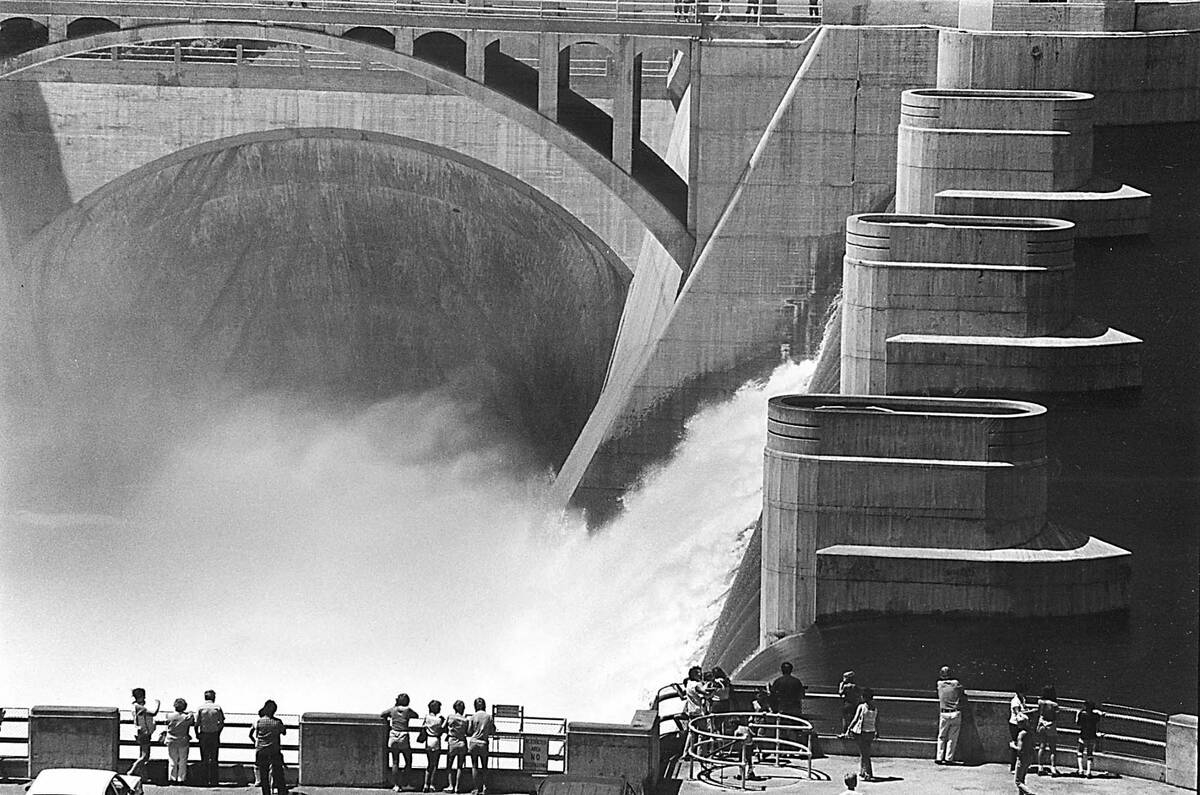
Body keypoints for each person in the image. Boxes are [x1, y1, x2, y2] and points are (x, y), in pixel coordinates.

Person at [769, 661, 806, 763]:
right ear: (791, 670)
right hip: (795, 710)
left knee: (782, 731)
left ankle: (783, 750)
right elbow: (802, 695)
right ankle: (800, 749)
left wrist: (774, 708)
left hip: (783, 709)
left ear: (782, 670)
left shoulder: (778, 681)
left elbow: (772, 696)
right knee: (797, 730)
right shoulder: (797, 681)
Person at [249, 700, 287, 795]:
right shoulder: (277, 722)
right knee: (278, 773)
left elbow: (251, 733)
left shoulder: (258, 721)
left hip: (261, 750)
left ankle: (266, 793)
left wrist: (256, 742)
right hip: (274, 750)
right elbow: (284, 732)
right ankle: (281, 792)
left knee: (264, 774)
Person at [383, 693, 419, 791]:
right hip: (403, 736)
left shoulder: (392, 710)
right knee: (408, 760)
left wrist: (395, 706)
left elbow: (382, 714)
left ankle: (396, 785)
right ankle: (405, 782)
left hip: (393, 735)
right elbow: (416, 715)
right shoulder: (408, 710)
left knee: (395, 761)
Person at [845, 688, 878, 782]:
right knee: (865, 752)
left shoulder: (862, 707)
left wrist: (848, 728)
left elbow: (855, 719)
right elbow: (876, 721)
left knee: (864, 754)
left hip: (862, 732)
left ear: (864, 697)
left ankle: (868, 773)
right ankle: (863, 771)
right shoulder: (875, 708)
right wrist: (877, 731)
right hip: (871, 732)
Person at [128, 688, 161, 779]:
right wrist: (158, 704)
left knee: (143, 755)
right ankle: (131, 771)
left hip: (140, 732)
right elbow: (153, 713)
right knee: (144, 756)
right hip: (144, 733)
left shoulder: (134, 706)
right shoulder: (139, 707)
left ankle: (142, 776)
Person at [196, 689, 226, 786]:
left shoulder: (200, 708)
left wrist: (197, 734)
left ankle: (204, 780)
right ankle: (214, 781)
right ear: (214, 697)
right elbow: (221, 722)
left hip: (204, 734)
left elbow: (197, 723)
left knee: (204, 758)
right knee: (214, 758)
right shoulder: (217, 707)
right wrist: (218, 732)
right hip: (214, 735)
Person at [163, 698, 195, 784]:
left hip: (171, 740)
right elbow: (192, 718)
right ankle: (181, 779)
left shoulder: (168, 716)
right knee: (183, 760)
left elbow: (166, 725)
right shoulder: (187, 717)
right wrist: (191, 713)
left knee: (172, 760)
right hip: (183, 740)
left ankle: (172, 778)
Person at [466, 698, 495, 795]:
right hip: (483, 742)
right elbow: (492, 730)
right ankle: (484, 787)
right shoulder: (489, 717)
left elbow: (469, 731)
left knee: (474, 766)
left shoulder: (473, 717)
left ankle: (476, 789)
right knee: (484, 766)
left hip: (474, 742)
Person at [935, 666, 963, 765]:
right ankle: (948, 758)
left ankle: (939, 757)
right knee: (952, 738)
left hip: (944, 713)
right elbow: (961, 690)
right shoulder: (956, 684)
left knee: (942, 736)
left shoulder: (939, 684)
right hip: (955, 712)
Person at [1034, 685, 1060, 776]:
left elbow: (1039, 712)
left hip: (1041, 724)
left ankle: (1040, 767)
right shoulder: (1054, 704)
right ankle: (1053, 768)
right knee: (1052, 748)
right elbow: (1056, 716)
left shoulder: (1040, 702)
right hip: (1050, 725)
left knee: (1042, 746)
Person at [443, 700, 469, 794]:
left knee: (449, 766)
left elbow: (443, 727)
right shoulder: (465, 720)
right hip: (462, 742)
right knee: (459, 766)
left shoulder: (450, 717)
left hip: (452, 742)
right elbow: (468, 731)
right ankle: (457, 787)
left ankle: (450, 786)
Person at [422, 700, 448, 793]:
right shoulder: (440, 719)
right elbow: (443, 728)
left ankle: (425, 784)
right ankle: (432, 785)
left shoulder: (426, 717)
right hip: (436, 740)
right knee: (435, 764)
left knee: (429, 764)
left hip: (428, 740)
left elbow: (423, 727)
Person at [1075, 700, 1105, 777]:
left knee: (1080, 752)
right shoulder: (1095, 716)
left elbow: (1077, 723)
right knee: (1090, 754)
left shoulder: (1082, 714)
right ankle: (1088, 771)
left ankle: (1081, 770)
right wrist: (1098, 711)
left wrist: (1078, 713)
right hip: (1092, 736)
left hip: (1083, 736)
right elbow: (1099, 716)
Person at [1008, 686, 1029, 772]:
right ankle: (1013, 766)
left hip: (1021, 724)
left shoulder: (1022, 699)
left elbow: (1024, 709)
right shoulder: (1015, 701)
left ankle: (1018, 765)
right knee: (1016, 744)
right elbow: (1018, 713)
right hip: (1014, 724)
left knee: (1021, 744)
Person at [1012, 718, 1035, 794]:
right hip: (1029, 757)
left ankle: (1030, 793)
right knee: (1022, 779)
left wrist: (1012, 746)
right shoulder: (1030, 732)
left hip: (1022, 758)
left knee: (1018, 781)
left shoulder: (1021, 734)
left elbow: (1019, 749)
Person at [709, 667, 732, 733]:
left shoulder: (714, 682)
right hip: (726, 703)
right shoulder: (726, 681)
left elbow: (710, 691)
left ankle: (717, 736)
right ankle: (723, 735)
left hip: (717, 703)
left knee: (715, 723)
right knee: (724, 721)